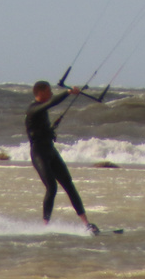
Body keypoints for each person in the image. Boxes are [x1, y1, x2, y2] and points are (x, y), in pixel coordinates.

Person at [25, 80, 100, 234]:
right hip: (39, 153)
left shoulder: (41, 109)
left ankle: (86, 223)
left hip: (50, 151)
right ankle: (44, 227)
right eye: (48, 91)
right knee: (51, 187)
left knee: (69, 184)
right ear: (40, 93)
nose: (51, 93)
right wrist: (68, 92)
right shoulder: (33, 109)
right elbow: (50, 103)